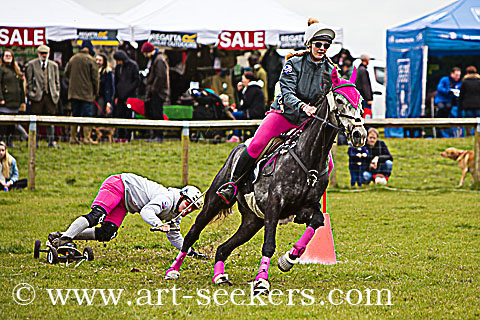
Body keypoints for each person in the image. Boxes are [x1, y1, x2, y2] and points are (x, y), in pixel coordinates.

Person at [217, 18, 336, 204]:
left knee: (329, 163)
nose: (322, 48)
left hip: (308, 122)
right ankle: (232, 185)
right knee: (256, 144)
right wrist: (302, 106)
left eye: (326, 45)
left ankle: (309, 198)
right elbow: (287, 93)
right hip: (285, 115)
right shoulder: (293, 63)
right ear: (309, 44)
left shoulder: (330, 70)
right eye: (318, 44)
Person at [47, 173, 207, 258]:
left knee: (107, 233)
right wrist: (158, 224)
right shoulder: (166, 198)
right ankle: (65, 239)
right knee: (96, 216)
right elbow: (147, 211)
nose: (187, 211)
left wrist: (189, 251)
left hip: (124, 202)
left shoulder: (176, 212)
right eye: (188, 205)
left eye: (192, 210)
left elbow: (174, 235)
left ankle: (61, 237)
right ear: (181, 196)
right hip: (118, 186)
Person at [25, 45, 60, 148]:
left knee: (50, 120)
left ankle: (51, 141)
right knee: (35, 120)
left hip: (50, 96)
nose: (44, 56)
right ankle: (34, 142)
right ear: (38, 54)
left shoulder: (54, 65)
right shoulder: (31, 65)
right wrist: (32, 93)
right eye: (42, 54)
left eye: (46, 54)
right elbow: (29, 81)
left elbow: (57, 81)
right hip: (37, 97)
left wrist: (56, 92)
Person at [65, 40, 99, 144]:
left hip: (73, 93)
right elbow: (95, 79)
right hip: (86, 94)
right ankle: (86, 138)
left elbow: (66, 73)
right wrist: (95, 92)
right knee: (87, 116)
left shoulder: (73, 59)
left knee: (75, 115)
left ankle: (73, 137)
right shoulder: (91, 60)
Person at [141, 42, 169, 142]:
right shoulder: (156, 59)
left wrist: (153, 89)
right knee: (153, 113)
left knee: (157, 113)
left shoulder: (158, 60)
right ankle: (155, 135)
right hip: (156, 91)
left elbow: (160, 76)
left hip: (158, 92)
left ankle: (159, 136)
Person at [226, 72, 266, 143]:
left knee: (234, 115)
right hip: (254, 112)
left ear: (248, 80)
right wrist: (240, 91)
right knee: (237, 114)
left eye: (243, 79)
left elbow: (246, 103)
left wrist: (238, 108)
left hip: (253, 113)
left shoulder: (252, 89)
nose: (242, 81)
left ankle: (236, 136)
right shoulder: (255, 89)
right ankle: (238, 135)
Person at [0, 49, 25, 147]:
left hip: (15, 102)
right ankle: (2, 142)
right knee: (3, 125)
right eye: (6, 56)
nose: (8, 57)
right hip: (5, 102)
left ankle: (10, 141)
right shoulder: (1, 70)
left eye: (10, 56)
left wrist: (22, 100)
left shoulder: (16, 70)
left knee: (12, 125)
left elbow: (21, 87)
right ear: (3, 57)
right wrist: (0, 98)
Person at [113, 50, 139, 142]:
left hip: (130, 97)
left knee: (128, 115)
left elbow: (136, 81)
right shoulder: (118, 68)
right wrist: (116, 95)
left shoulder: (133, 66)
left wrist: (128, 91)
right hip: (120, 96)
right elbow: (116, 82)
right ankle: (120, 135)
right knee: (119, 115)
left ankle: (128, 136)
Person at [459, 66, 480, 135]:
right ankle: (478, 135)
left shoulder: (465, 82)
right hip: (478, 104)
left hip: (467, 104)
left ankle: (468, 135)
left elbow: (461, 94)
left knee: (468, 122)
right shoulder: (479, 81)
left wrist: (460, 105)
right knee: (478, 122)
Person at [95, 53, 114, 117]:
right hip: (94, 96)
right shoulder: (94, 71)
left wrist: (108, 101)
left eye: (100, 60)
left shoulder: (107, 72)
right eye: (96, 60)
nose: (97, 62)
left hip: (102, 96)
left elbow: (108, 87)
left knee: (99, 113)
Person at [355, 54, 373, 119]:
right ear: (366, 60)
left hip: (361, 97)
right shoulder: (363, 70)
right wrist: (369, 98)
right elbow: (365, 85)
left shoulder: (359, 69)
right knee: (367, 114)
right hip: (364, 98)